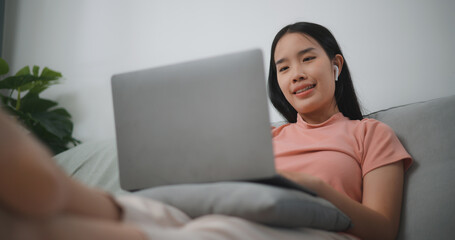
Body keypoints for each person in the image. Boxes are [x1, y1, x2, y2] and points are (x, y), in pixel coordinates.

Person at [0, 22, 411, 240]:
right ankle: (52, 204)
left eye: (307, 59)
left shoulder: (370, 134)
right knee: (161, 212)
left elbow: (382, 229)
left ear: (335, 65)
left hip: (311, 230)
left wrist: (310, 185)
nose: (296, 74)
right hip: (232, 208)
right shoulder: (267, 138)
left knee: (215, 232)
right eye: (283, 67)